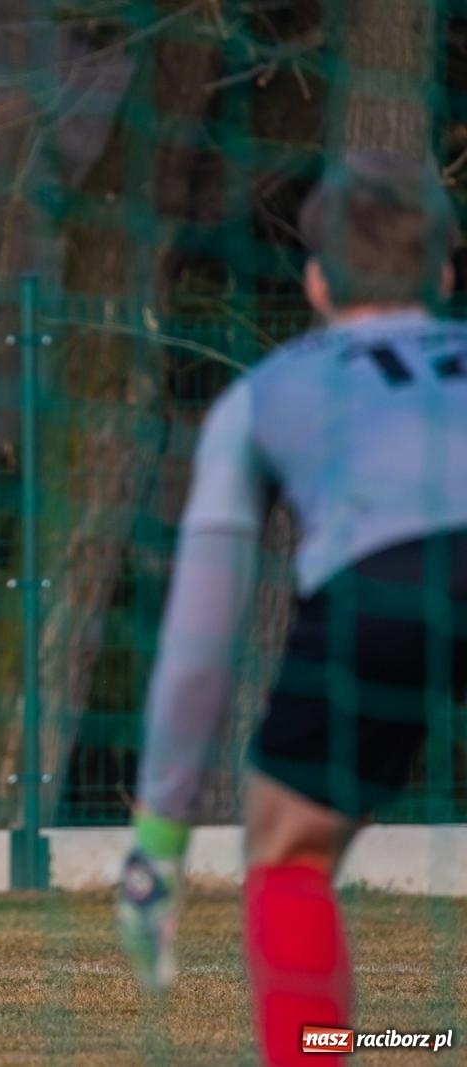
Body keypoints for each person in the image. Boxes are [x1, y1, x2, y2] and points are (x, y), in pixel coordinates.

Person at [117, 153, 467, 1064]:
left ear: (315, 280)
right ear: (443, 275)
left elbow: (200, 644)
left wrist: (160, 834)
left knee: (288, 852)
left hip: (385, 582)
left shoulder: (259, 396)